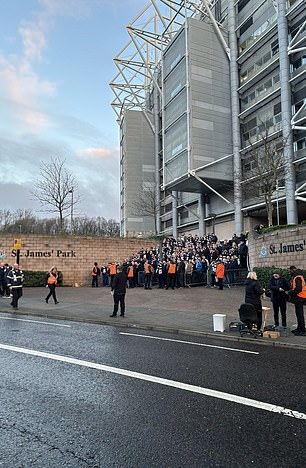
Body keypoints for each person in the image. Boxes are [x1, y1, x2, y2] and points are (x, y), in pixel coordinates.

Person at [287, 266, 306, 336]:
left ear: (293, 270)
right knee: (299, 314)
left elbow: (298, 289)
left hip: (300, 297)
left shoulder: (297, 277)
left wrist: (290, 292)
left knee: (300, 314)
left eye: (290, 271)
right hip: (300, 297)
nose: (289, 273)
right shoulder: (298, 276)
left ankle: (302, 330)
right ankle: (300, 328)